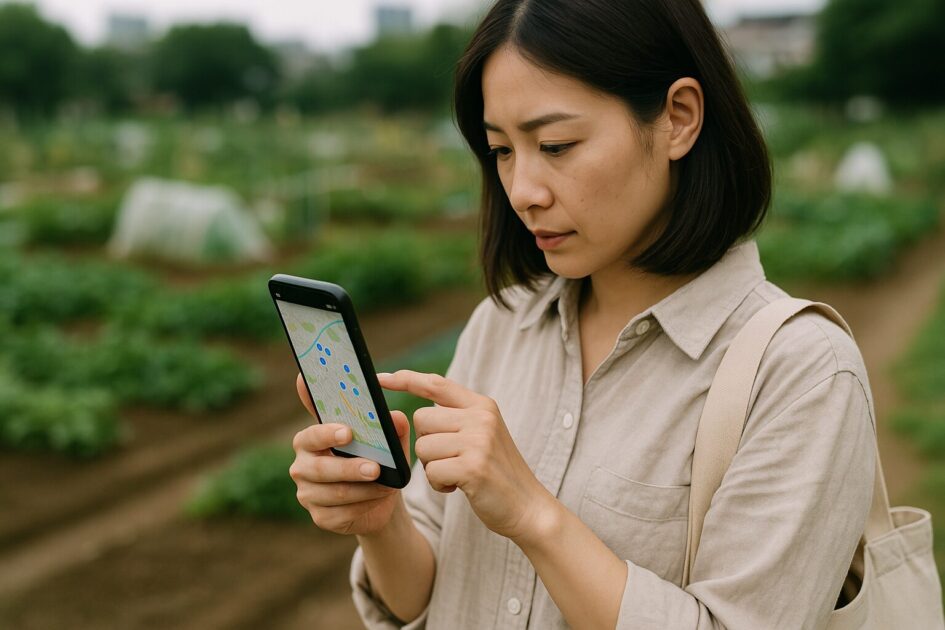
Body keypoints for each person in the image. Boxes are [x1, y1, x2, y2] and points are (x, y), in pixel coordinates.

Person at [289, 0, 876, 627]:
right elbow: (431, 598)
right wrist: (381, 523)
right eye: (501, 150)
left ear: (678, 118)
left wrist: (532, 514)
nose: (522, 191)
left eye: (556, 145)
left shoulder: (802, 372)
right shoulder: (501, 324)